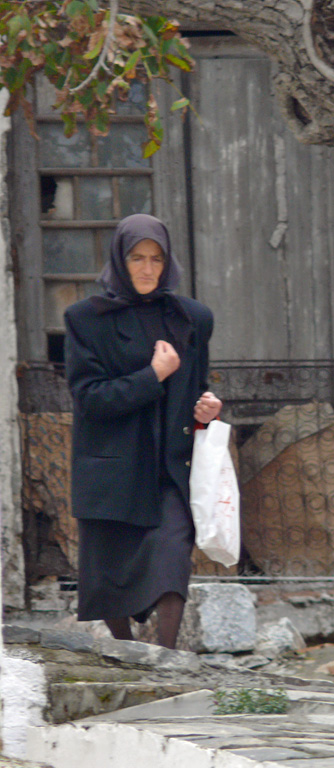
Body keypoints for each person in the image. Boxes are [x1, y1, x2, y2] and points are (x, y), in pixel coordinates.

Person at [64, 213, 222, 649]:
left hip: (170, 465)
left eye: (157, 258)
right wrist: (153, 375)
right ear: (120, 259)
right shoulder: (86, 319)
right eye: (137, 258)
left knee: (173, 556)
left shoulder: (192, 318)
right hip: (112, 467)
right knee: (108, 572)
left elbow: (197, 387)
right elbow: (91, 398)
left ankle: (167, 658)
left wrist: (206, 412)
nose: (148, 268)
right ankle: (126, 653)